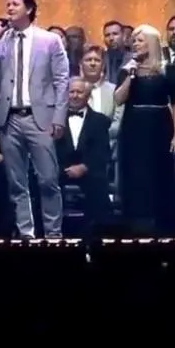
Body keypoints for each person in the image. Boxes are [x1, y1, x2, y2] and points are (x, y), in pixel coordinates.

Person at [0, 0, 70, 239]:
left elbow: (62, 80)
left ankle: (53, 235)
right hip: (9, 118)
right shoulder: (2, 40)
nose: (9, 8)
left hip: (40, 118)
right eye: (7, 4)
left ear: (29, 9)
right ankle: (26, 234)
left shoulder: (49, 40)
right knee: (17, 183)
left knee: (48, 180)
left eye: (15, 4)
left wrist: (59, 117)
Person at [114, 25, 175, 234]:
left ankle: (162, 224)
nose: (135, 44)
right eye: (134, 41)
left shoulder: (167, 69)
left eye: (140, 40)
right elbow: (118, 99)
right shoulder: (127, 69)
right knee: (135, 173)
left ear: (152, 43)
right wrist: (130, 76)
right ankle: (136, 223)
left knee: (159, 172)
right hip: (134, 126)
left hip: (160, 125)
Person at [56, 77, 113, 241]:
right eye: (71, 92)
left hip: (89, 170)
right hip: (60, 169)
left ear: (88, 96)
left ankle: (98, 236)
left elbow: (102, 151)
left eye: (79, 92)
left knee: (98, 185)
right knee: (45, 183)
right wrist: (64, 169)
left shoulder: (100, 121)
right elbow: (51, 149)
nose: (75, 96)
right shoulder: (55, 120)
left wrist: (84, 167)